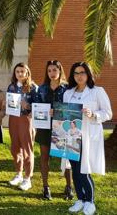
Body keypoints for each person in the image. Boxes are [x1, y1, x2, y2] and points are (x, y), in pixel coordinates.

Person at [64, 62, 112, 215]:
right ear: (72, 75)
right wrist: (57, 113)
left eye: (82, 72)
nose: (79, 76)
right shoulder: (68, 93)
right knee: (75, 170)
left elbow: (108, 113)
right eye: (76, 73)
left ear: (88, 74)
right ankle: (80, 199)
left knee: (84, 170)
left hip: (88, 135)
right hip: (72, 137)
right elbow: (65, 114)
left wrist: (94, 114)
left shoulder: (97, 91)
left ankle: (90, 201)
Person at [34, 60, 73, 200]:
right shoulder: (42, 88)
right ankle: (46, 187)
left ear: (60, 70)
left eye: (54, 70)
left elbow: (71, 108)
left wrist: (57, 112)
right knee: (44, 158)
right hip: (45, 128)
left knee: (66, 157)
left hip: (62, 127)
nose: (52, 73)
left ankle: (69, 187)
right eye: (49, 70)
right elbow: (37, 106)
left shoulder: (68, 88)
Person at [7, 62, 37, 191]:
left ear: (27, 73)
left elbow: (40, 106)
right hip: (13, 119)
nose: (20, 73)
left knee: (27, 148)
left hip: (26, 120)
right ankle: (18, 174)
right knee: (15, 148)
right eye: (17, 71)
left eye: (22, 71)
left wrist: (29, 107)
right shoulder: (11, 87)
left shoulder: (33, 87)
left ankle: (27, 178)